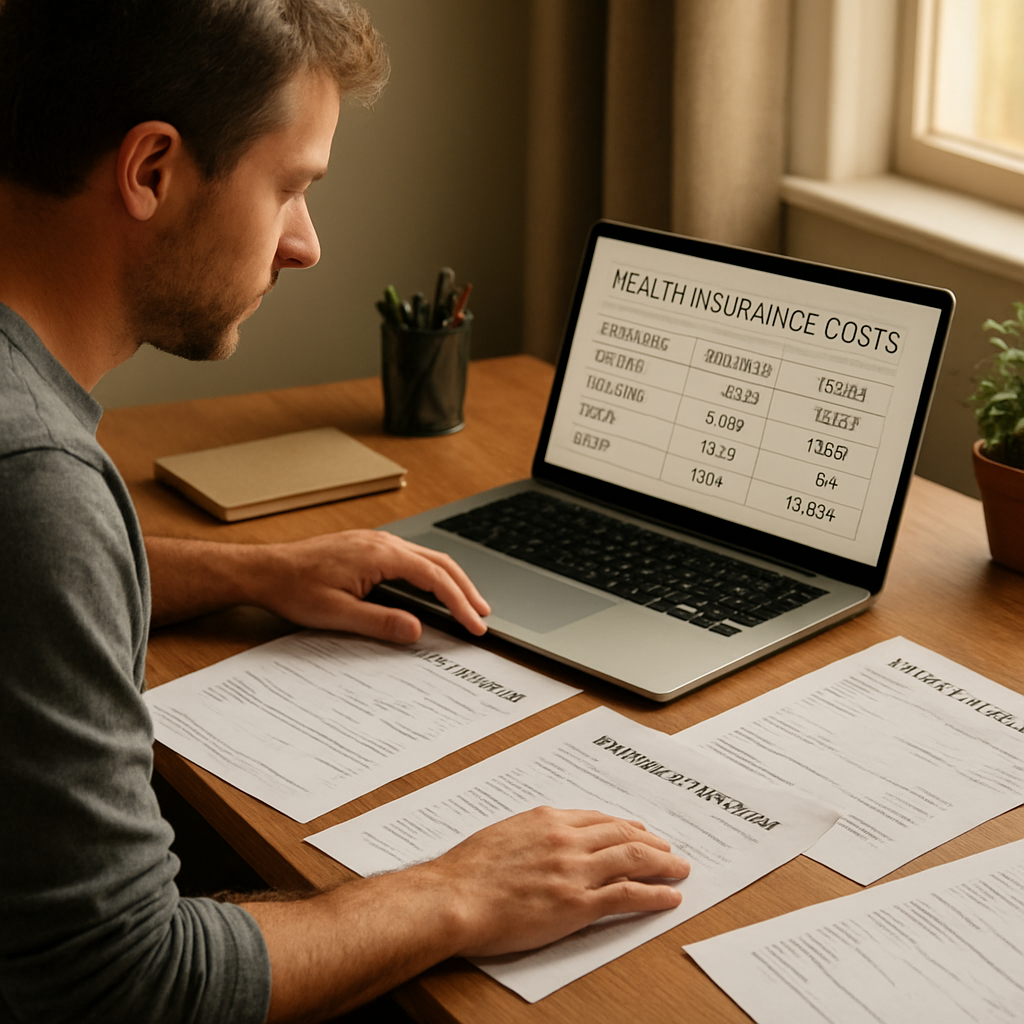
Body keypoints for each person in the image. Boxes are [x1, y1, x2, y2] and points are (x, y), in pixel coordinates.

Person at [0, 2, 691, 1022]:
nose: (304, 245)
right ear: (151, 169)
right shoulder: (36, 480)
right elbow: (121, 982)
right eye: (290, 187)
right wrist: (454, 891)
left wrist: (253, 570)